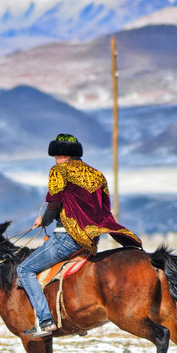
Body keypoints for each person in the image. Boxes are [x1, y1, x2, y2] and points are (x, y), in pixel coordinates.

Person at [18, 133, 142, 337]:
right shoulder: (96, 174)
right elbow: (104, 207)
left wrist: (45, 220)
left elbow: (55, 202)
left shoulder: (59, 170)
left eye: (56, 156)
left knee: (24, 270)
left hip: (67, 237)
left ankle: (46, 320)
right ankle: (76, 319)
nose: (55, 160)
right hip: (91, 239)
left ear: (62, 155)